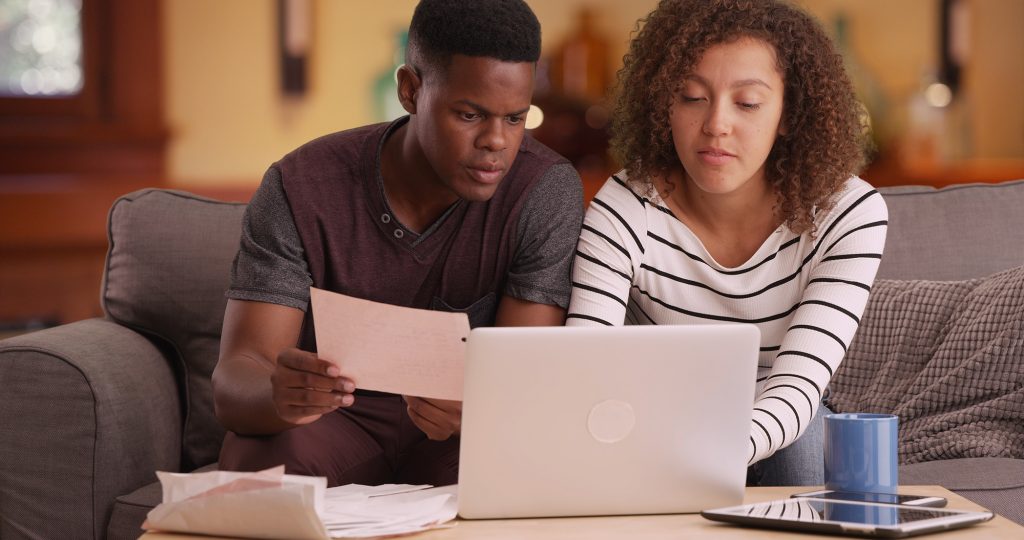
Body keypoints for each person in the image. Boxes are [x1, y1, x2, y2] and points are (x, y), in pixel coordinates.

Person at [212, 0, 583, 488]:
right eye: (470, 115)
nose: (497, 142)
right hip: (335, 424)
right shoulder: (302, 186)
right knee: (252, 458)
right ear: (410, 90)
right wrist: (277, 395)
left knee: (521, 467)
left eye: (516, 119)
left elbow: (524, 384)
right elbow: (236, 378)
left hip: (458, 441)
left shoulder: (543, 191)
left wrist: (483, 410)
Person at [566, 0, 888, 486]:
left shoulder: (848, 212)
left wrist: (706, 454)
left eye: (748, 103)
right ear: (664, 104)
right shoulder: (627, 205)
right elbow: (583, 366)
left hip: (781, 428)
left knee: (801, 441)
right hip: (654, 427)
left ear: (788, 113)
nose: (716, 124)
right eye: (692, 97)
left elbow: (797, 389)